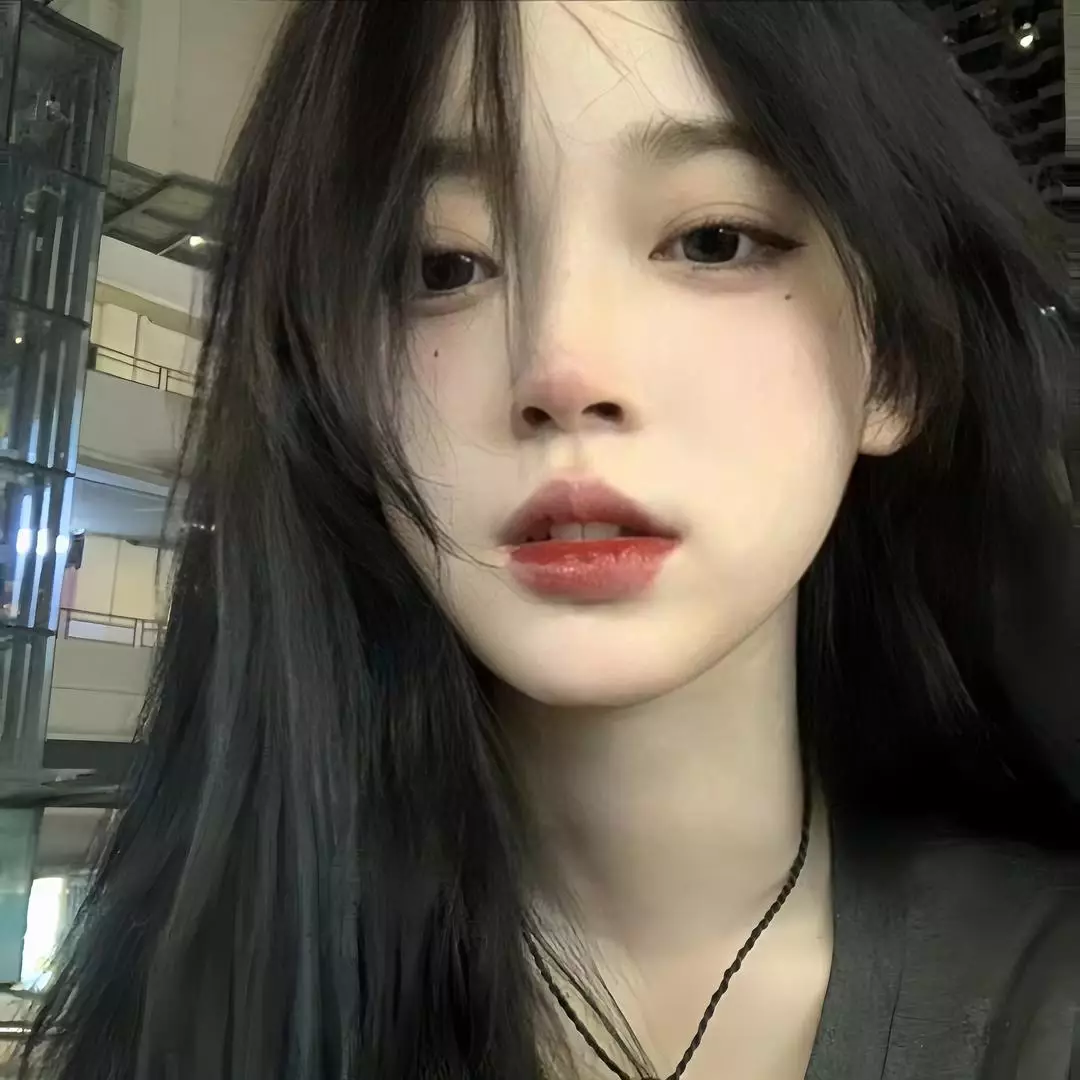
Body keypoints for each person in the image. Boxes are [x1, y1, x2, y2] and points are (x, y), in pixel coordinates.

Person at [22, 2, 1080, 1079]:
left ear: (897, 359)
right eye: (444, 265)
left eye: (711, 240)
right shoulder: (198, 1012)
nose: (562, 369)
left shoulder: (1039, 1003)